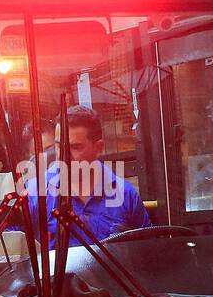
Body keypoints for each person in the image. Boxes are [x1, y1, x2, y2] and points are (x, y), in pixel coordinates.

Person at [27, 106, 152, 248]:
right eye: (59, 146)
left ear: (99, 148)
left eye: (75, 147)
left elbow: (147, 253)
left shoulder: (126, 196)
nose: (64, 155)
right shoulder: (35, 193)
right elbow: (10, 248)